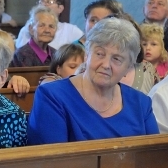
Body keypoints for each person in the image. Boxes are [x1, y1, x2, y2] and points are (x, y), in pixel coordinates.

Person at [28, 17, 159, 144]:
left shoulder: (141, 104)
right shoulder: (52, 96)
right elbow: (52, 162)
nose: (106, 65)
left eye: (117, 59)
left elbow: (153, 159)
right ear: (86, 55)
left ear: (129, 68)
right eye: (99, 54)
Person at [16, 0, 84, 49]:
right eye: (41, 2)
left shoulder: (71, 30)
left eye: (49, 2)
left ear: (60, 8)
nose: (44, 5)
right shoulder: (28, 29)